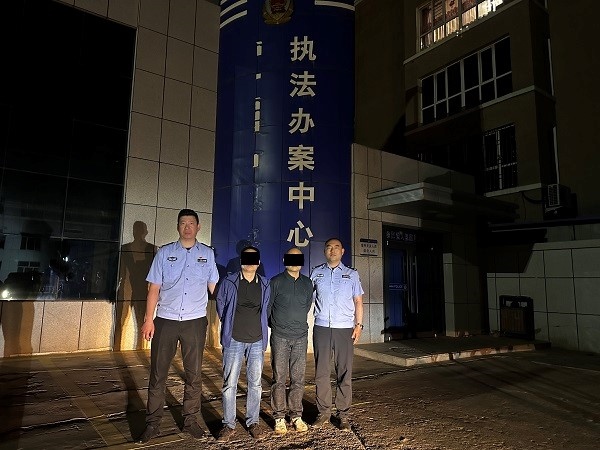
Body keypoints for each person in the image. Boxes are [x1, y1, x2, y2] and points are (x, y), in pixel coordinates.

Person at [136, 209, 219, 444]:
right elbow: (154, 288)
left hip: (195, 321)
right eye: (183, 223)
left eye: (191, 223)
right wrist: (148, 319)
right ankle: (153, 423)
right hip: (166, 320)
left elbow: (214, 287)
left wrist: (229, 314)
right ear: (178, 227)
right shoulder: (164, 253)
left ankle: (190, 421)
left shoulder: (207, 254)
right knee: (158, 374)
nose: (187, 227)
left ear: (198, 227)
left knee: (193, 374)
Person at [216, 246, 270, 442]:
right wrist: (228, 326)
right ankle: (228, 424)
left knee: (255, 384)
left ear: (258, 262)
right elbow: (221, 305)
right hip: (234, 340)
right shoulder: (229, 281)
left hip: (256, 340)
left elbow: (266, 308)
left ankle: (253, 422)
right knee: (229, 384)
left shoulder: (265, 284)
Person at [310, 238, 364, 432]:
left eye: (336, 247)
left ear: (343, 251)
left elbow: (358, 301)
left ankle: (343, 414)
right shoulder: (316, 273)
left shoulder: (352, 274)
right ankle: (323, 412)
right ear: (324, 251)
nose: (332, 250)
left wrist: (359, 325)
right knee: (321, 372)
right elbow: (308, 299)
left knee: (344, 372)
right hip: (321, 328)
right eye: (328, 247)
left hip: (344, 329)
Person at [268, 247, 312, 435]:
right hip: (280, 336)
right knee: (279, 378)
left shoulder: (307, 283)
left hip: (301, 336)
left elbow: (307, 306)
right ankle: (279, 417)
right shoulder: (276, 282)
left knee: (298, 378)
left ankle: (296, 415)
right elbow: (268, 308)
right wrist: (277, 326)